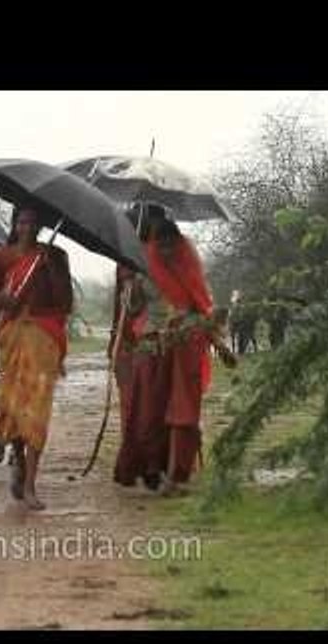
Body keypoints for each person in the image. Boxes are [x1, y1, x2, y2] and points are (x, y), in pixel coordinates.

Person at [111, 204, 235, 497]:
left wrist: (220, 343)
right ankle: (151, 468)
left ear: (176, 242)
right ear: (151, 239)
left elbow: (203, 308)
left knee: (182, 414)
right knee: (148, 412)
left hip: (186, 343)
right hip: (152, 346)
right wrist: (130, 288)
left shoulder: (187, 264)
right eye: (159, 243)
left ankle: (176, 474)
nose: (165, 250)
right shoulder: (138, 263)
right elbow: (133, 310)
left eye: (170, 244)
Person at [0, 206, 73, 511]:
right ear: (14, 224)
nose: (27, 228)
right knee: (14, 408)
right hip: (12, 339)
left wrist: (50, 271)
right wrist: (0, 300)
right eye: (22, 222)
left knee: (36, 412)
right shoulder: (0, 257)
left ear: (41, 226)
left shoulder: (55, 257)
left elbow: (65, 301)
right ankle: (18, 460)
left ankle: (31, 484)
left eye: (33, 223)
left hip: (44, 340)